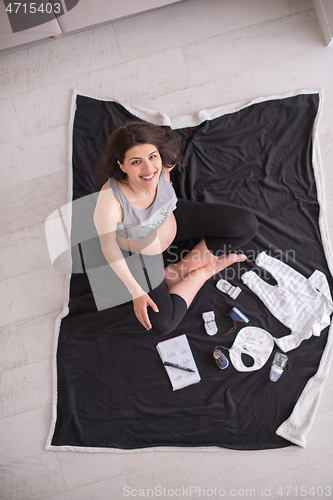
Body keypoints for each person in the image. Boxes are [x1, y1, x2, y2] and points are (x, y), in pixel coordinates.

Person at [94, 120, 258, 334]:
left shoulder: (162, 163)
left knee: (246, 224)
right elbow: (108, 248)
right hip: (142, 252)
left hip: (173, 218)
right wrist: (136, 292)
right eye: (136, 162)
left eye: (152, 157)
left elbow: (163, 151)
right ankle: (206, 271)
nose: (148, 169)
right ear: (122, 165)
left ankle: (177, 271)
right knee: (162, 323)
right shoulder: (110, 200)